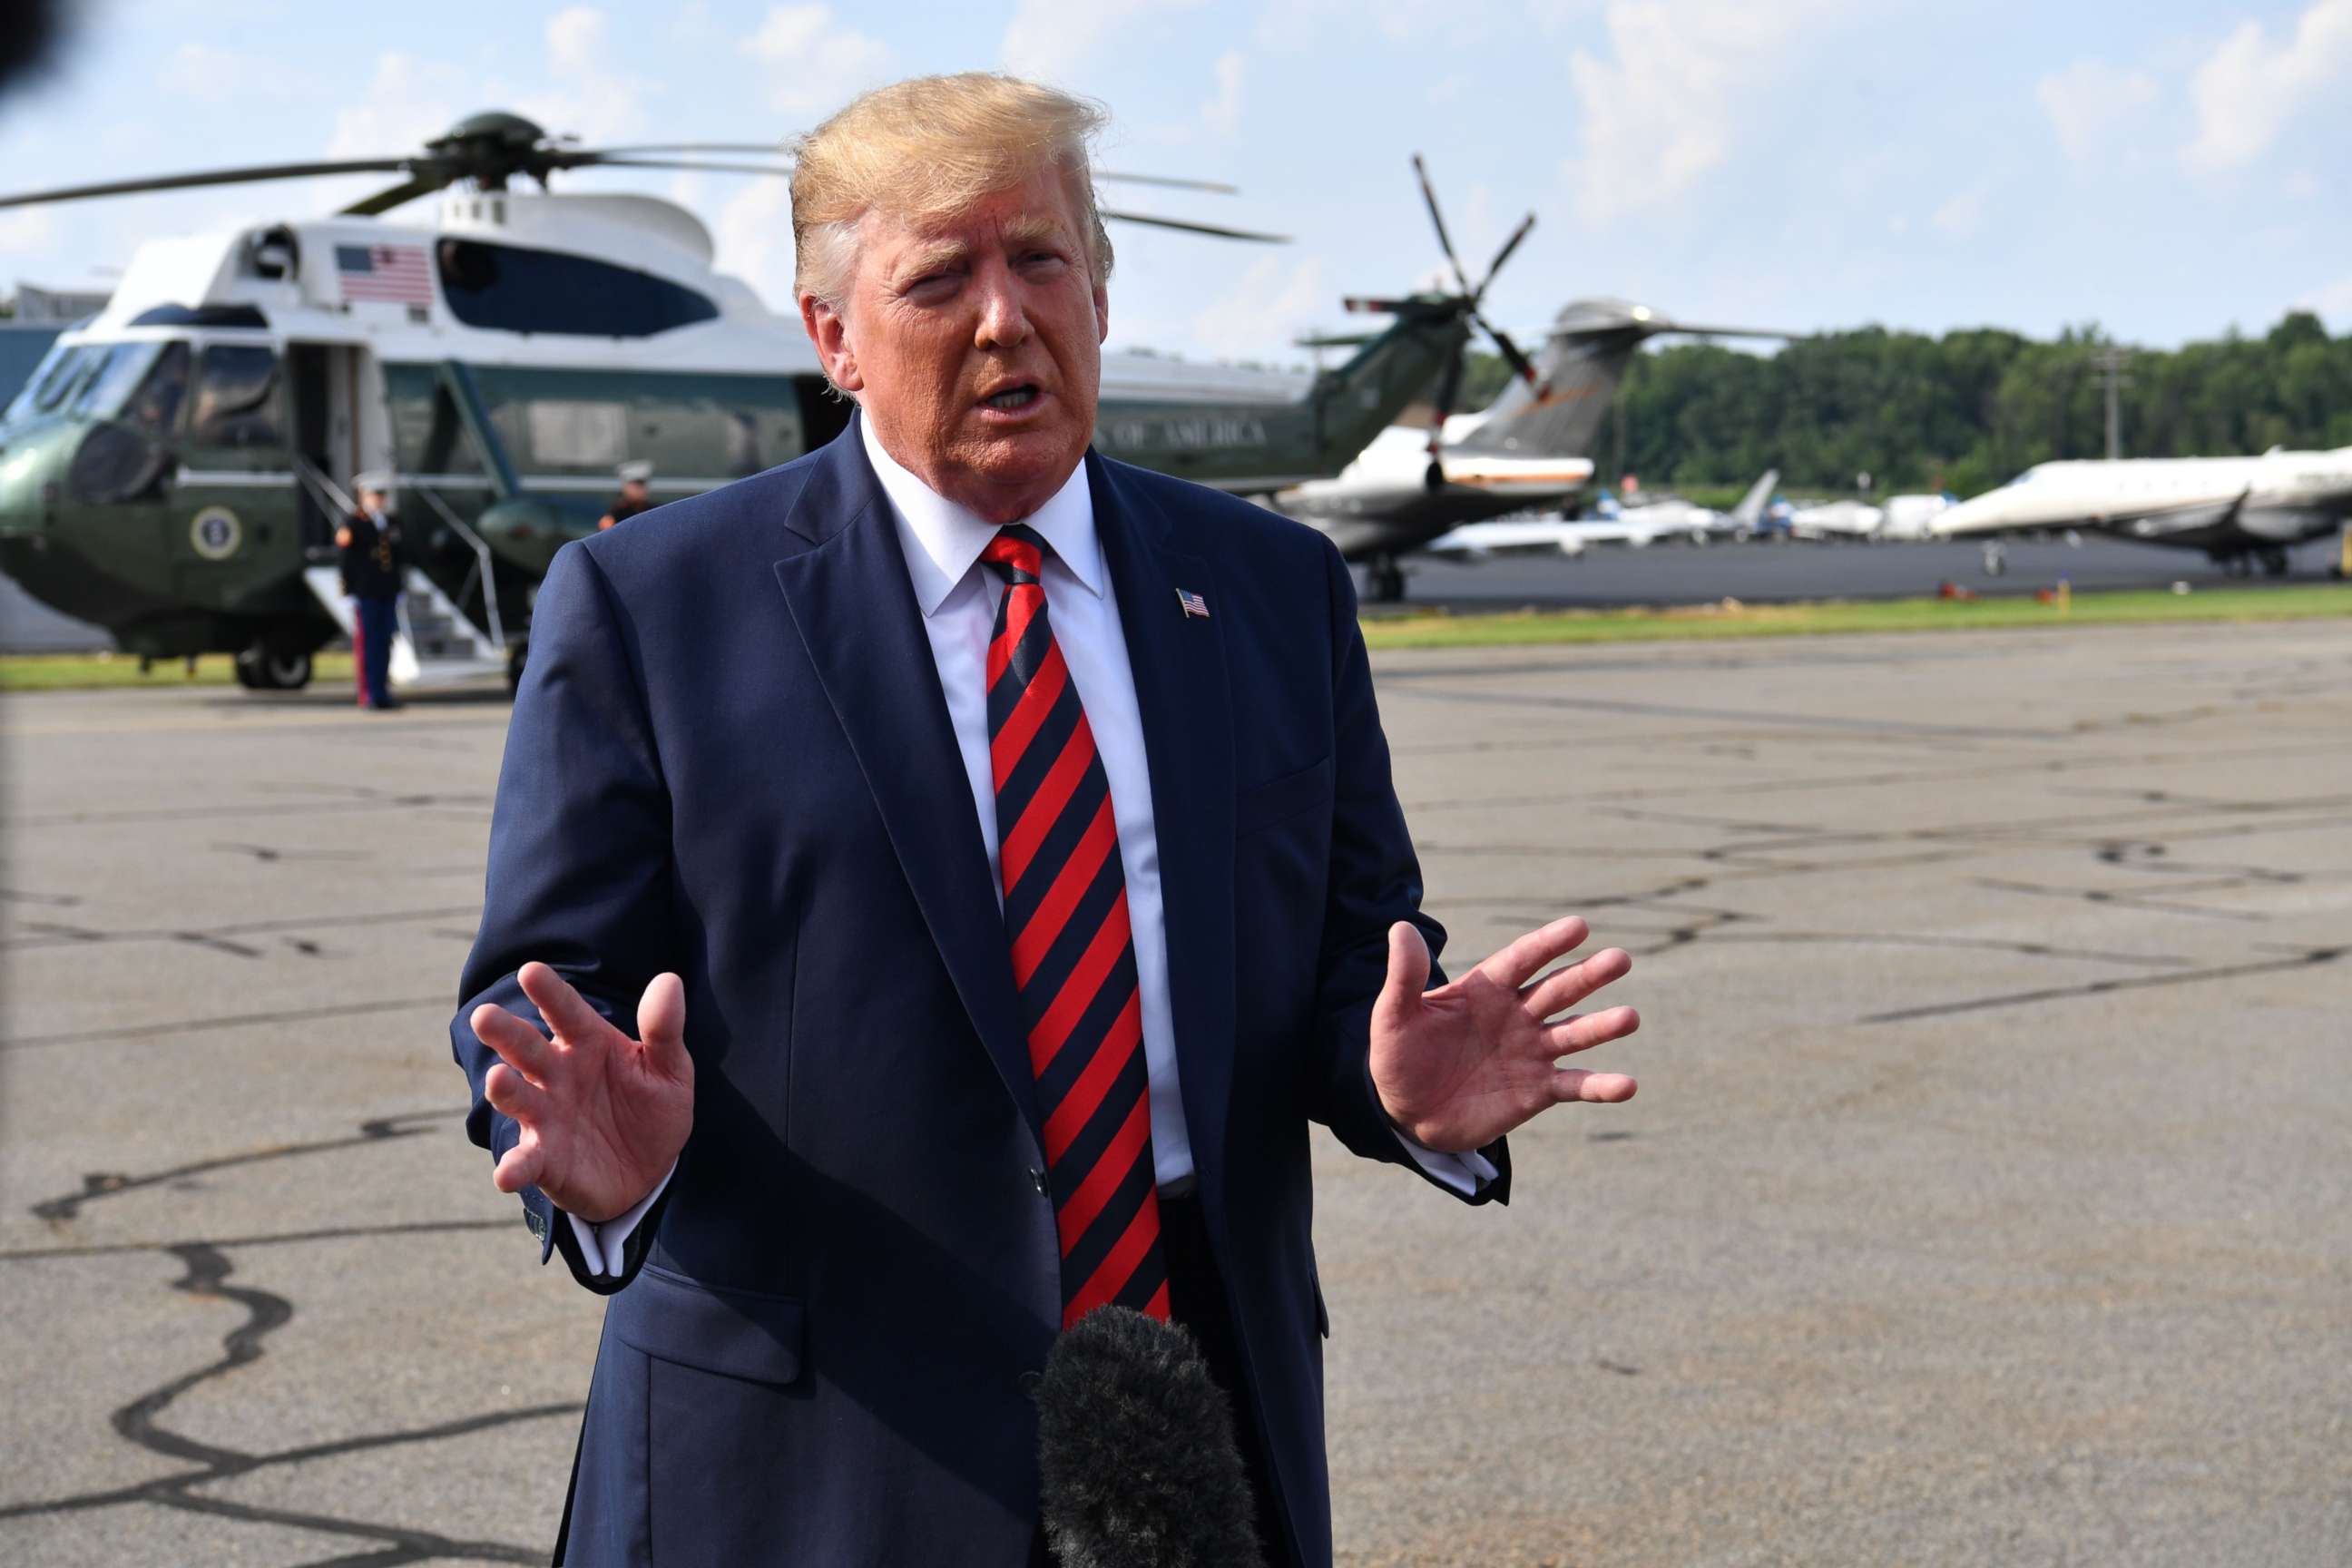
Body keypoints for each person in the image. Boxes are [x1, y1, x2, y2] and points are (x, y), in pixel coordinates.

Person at [451, 74, 1641, 1568]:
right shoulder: (651, 605)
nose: (1004, 318)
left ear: (1098, 287)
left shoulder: (1271, 589)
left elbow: (1353, 965)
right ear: (833, 338)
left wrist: (1390, 1077)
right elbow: (538, 997)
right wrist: (595, 1154)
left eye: (1041, 261)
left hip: (1189, 1417)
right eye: (939, 279)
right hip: (813, 1447)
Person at [337, 473, 400, 710]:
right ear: (364, 496)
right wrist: (347, 590)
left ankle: (383, 691)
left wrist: (399, 587)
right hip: (365, 592)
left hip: (387, 591)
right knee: (368, 644)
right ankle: (369, 693)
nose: (379, 500)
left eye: (382, 496)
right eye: (375, 495)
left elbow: (396, 558)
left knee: (385, 642)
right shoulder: (354, 523)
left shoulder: (390, 521)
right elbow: (346, 560)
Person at [596, 459, 655, 530]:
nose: (640, 490)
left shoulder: (655, 509)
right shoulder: (615, 513)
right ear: (625, 488)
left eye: (642, 485)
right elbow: (607, 535)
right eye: (636, 486)